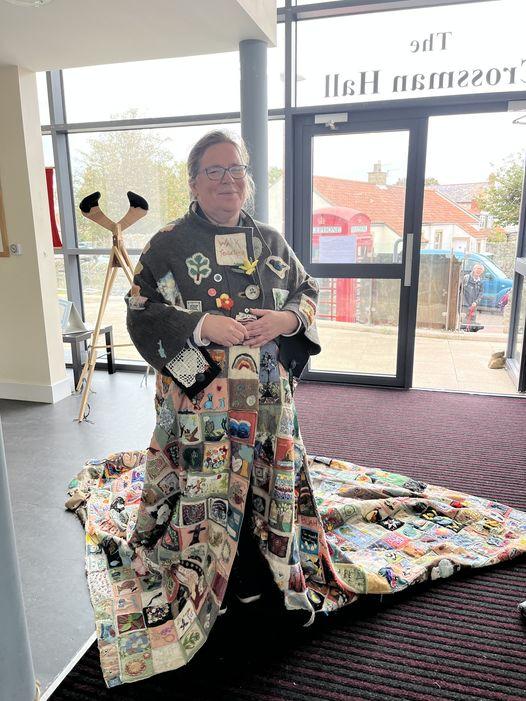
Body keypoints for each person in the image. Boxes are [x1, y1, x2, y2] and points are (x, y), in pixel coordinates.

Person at [67, 131, 526, 688]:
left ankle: (262, 560)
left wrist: (285, 320)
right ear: (193, 182)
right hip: (200, 405)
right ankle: (210, 565)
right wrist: (202, 325)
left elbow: (306, 290)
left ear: (247, 178)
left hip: (267, 402)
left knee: (266, 477)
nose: (227, 180)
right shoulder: (167, 244)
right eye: (213, 171)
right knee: (208, 482)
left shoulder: (271, 241)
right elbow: (140, 308)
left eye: (236, 169)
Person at [460, 262, 485, 331]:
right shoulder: (466, 278)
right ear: (474, 269)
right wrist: (464, 302)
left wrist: (475, 302)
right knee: (463, 322)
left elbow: (481, 294)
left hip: (474, 305)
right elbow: (460, 290)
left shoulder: (481, 282)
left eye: (481, 269)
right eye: (478, 268)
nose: (479, 270)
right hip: (464, 305)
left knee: (472, 322)